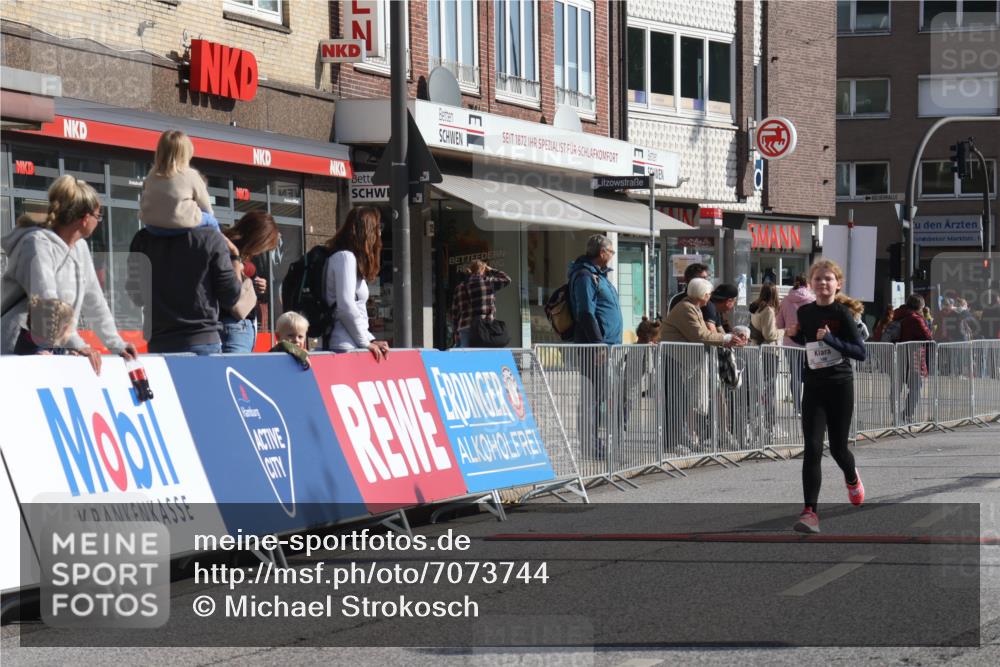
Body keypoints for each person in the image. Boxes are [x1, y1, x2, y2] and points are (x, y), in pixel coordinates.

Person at [1, 175, 138, 373]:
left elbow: (95, 300)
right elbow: (46, 302)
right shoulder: (37, 244)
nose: (98, 222)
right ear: (85, 218)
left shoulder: (79, 248)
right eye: (98, 216)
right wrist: (77, 344)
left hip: (52, 343)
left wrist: (116, 344)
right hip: (19, 344)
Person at [785, 259, 867, 534]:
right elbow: (811, 344)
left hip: (840, 385)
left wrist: (832, 339)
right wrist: (795, 337)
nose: (823, 283)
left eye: (828, 279)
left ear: (838, 284)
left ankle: (852, 477)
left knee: (838, 448)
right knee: (812, 448)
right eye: (818, 279)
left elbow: (860, 352)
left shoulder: (843, 313)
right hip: (814, 386)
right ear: (811, 283)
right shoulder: (805, 312)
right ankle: (810, 513)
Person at [126, 210, 243, 355]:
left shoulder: (142, 239)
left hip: (159, 341)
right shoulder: (210, 237)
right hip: (201, 339)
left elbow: (136, 296)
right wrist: (235, 259)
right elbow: (231, 296)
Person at [662, 278, 748, 452]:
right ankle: (672, 442)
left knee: (681, 401)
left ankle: (677, 439)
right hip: (674, 358)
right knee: (676, 402)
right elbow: (700, 335)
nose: (710, 296)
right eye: (708, 293)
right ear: (702, 294)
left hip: (680, 359)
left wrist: (728, 338)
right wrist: (725, 339)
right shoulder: (687, 309)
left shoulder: (693, 308)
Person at [569, 235, 622, 458]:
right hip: (595, 349)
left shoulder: (598, 275)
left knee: (600, 396)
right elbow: (585, 312)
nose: (611, 256)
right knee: (592, 398)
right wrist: (598, 344)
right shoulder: (584, 276)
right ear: (602, 253)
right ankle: (591, 446)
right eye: (611, 252)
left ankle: (597, 443)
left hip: (606, 347)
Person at [323, 206, 389, 361]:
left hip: (351, 343)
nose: (380, 233)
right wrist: (365, 342)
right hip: (343, 345)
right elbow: (346, 305)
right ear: (367, 231)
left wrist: (369, 340)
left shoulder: (349, 259)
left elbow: (355, 309)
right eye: (378, 227)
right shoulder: (345, 258)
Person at [220, 211, 279, 353]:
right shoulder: (229, 248)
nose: (260, 252)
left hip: (243, 324)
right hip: (234, 323)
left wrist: (257, 286)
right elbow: (229, 287)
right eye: (262, 246)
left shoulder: (245, 253)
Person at [139, 130, 219, 233]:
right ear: (186, 153)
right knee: (211, 220)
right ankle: (223, 247)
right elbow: (207, 208)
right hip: (180, 225)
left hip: (153, 227)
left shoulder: (151, 175)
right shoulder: (191, 175)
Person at [775, 273, 815, 417]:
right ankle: (809, 406)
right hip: (809, 343)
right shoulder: (812, 300)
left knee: (795, 375)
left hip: (790, 343)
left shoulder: (785, 301)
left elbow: (778, 324)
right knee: (812, 375)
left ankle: (797, 409)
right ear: (808, 284)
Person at [891, 294, 933, 424]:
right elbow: (928, 337)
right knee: (915, 387)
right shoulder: (916, 319)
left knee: (896, 387)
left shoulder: (898, 315)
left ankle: (896, 417)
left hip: (897, 355)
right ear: (920, 306)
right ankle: (907, 415)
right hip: (913, 357)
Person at [449, 259, 511, 348]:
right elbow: (507, 279)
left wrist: (456, 332)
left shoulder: (459, 287)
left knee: (465, 358)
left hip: (464, 327)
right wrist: (491, 270)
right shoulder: (488, 282)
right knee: (483, 357)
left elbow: (454, 313)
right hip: (484, 326)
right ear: (483, 269)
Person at [749, 284, 784, 437]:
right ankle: (771, 426)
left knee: (760, 390)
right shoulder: (768, 310)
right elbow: (769, 335)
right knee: (769, 391)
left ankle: (758, 425)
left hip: (758, 352)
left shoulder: (756, 309)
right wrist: (785, 331)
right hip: (769, 352)